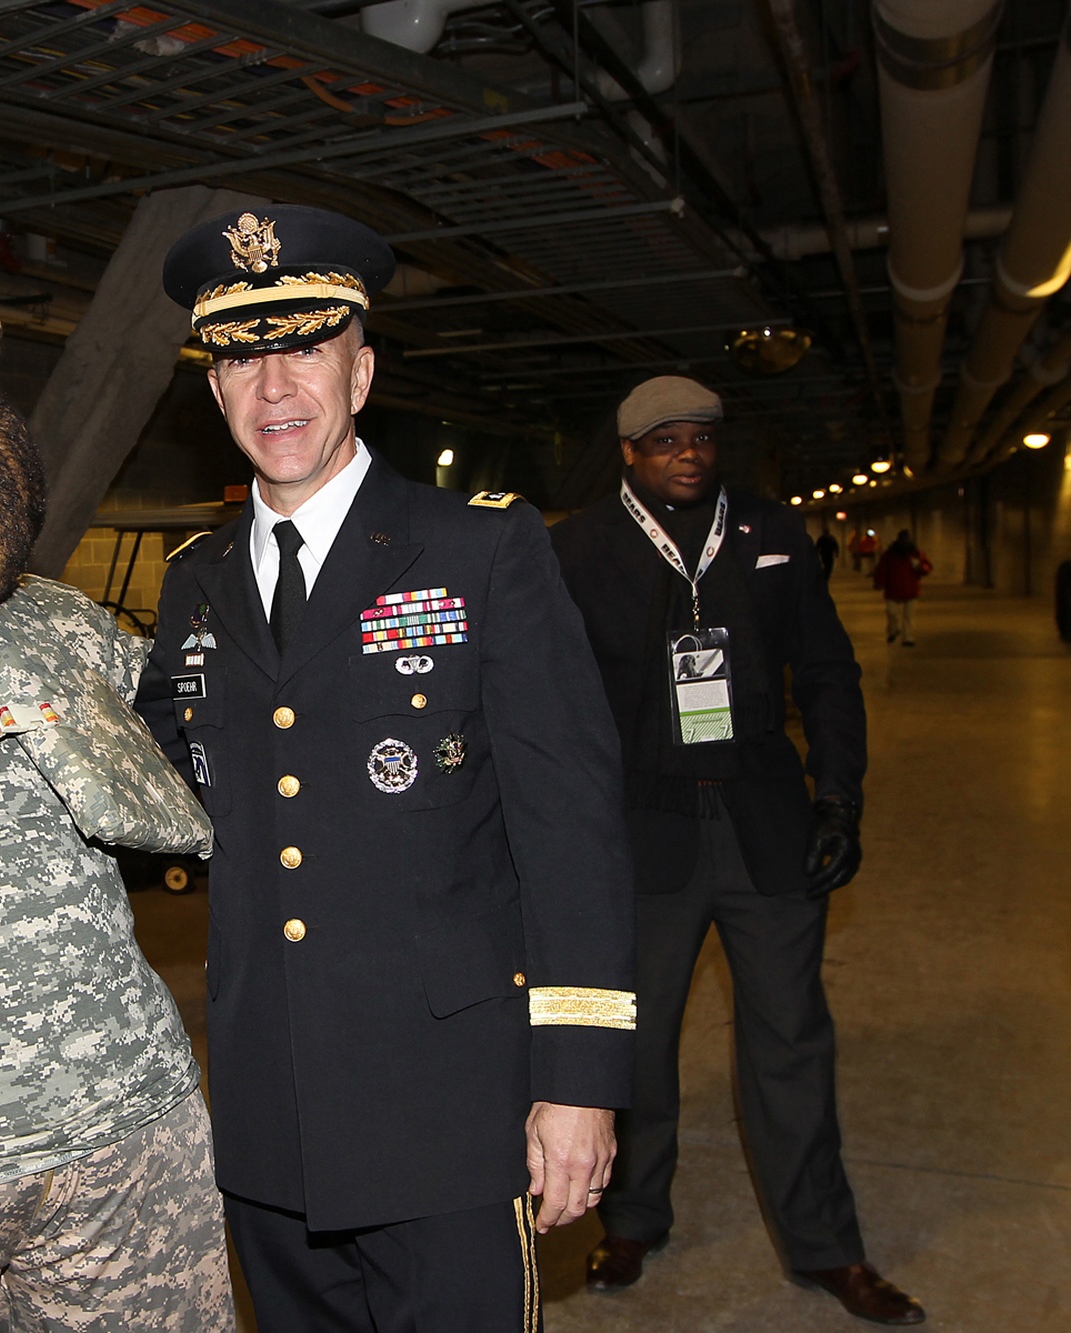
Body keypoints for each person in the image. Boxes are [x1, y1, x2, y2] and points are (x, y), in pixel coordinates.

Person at [135, 204, 637, 1332]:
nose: (274, 389)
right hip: (269, 1107)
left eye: (304, 349)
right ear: (211, 390)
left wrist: (579, 1080)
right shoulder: (194, 578)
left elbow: (570, 829)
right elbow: (155, 785)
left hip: (447, 1103)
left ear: (359, 374)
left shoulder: (480, 548)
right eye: (242, 358)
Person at [550, 376, 924, 1326]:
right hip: (642, 835)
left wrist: (839, 796)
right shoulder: (579, 549)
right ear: (629, 453)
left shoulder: (771, 533)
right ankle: (631, 1218)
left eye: (702, 438)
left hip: (766, 828)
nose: (688, 453)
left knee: (792, 1042)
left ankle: (827, 1248)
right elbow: (553, 708)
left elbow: (830, 670)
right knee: (636, 1050)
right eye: (664, 440)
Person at [873, 530, 932, 645]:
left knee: (909, 616)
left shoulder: (916, 554)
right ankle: (893, 630)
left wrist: (920, 568)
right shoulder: (890, 554)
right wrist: (879, 582)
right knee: (892, 612)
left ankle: (908, 637)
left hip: (910, 588)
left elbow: (926, 566)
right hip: (893, 588)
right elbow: (882, 569)